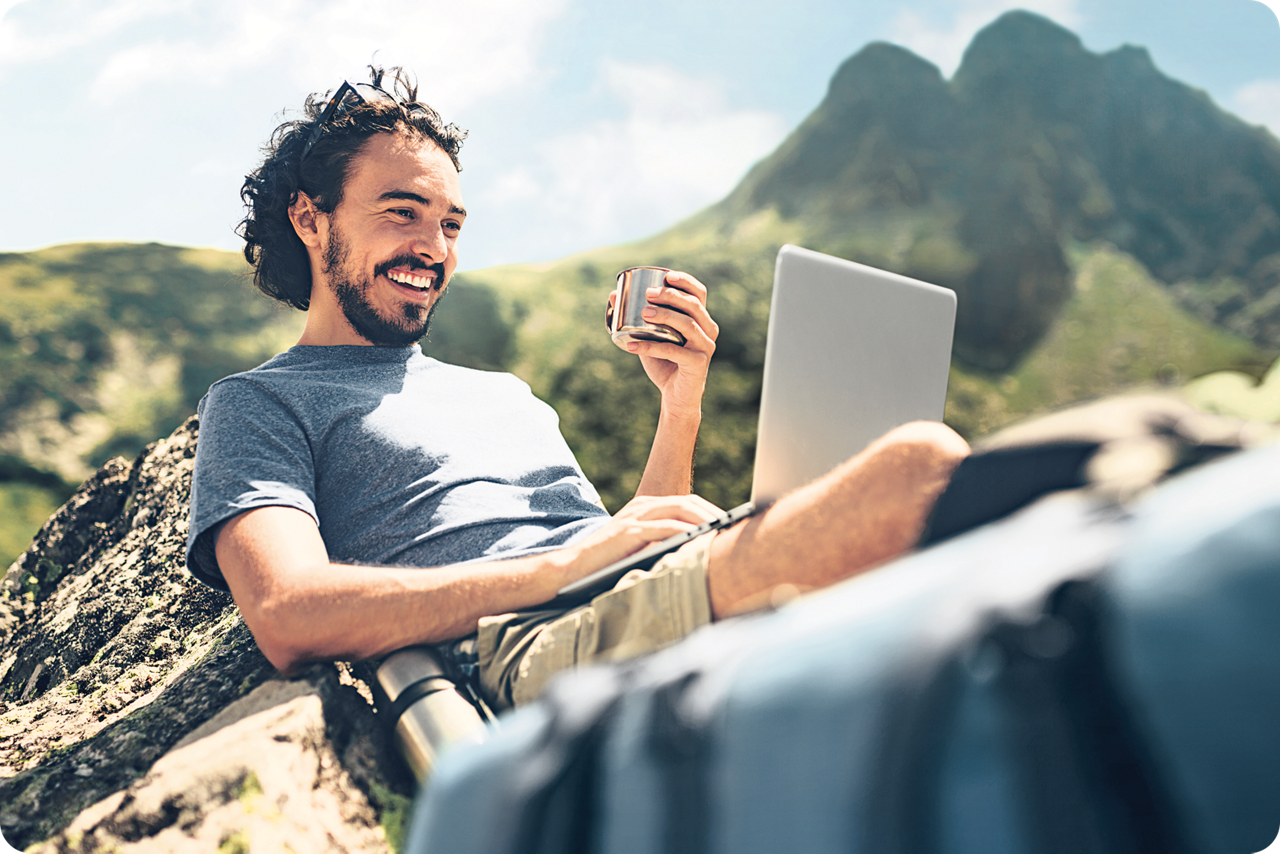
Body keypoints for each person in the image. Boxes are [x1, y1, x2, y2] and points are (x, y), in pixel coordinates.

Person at [186, 68, 970, 711]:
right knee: (923, 470)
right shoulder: (261, 402)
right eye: (402, 214)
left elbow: (624, 536)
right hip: (528, 647)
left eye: (452, 225)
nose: (433, 248)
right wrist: (564, 572)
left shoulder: (507, 398)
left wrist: (680, 405)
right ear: (310, 218)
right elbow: (290, 613)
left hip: (617, 604)